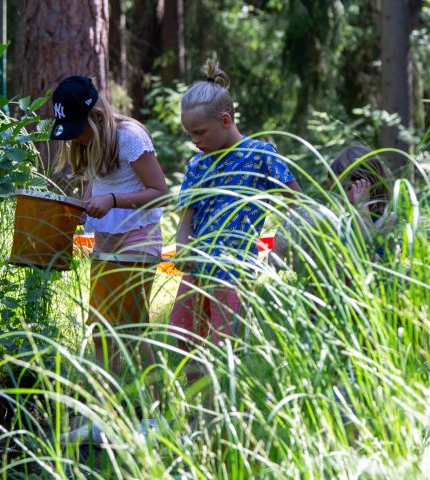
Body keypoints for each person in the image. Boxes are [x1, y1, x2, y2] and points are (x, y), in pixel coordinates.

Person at [48, 76, 168, 444]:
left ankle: (156, 416)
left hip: (138, 243)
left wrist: (113, 202)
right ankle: (103, 417)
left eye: (77, 128)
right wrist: (83, 211)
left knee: (131, 331)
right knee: (101, 333)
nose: (74, 137)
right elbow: (97, 189)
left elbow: (159, 193)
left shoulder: (130, 137)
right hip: (106, 246)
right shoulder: (88, 146)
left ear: (96, 116)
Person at [170, 60, 301, 375]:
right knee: (183, 340)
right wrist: (182, 246)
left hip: (235, 271)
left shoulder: (261, 155)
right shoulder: (198, 165)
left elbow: (297, 204)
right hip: (198, 270)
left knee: (226, 347)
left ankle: (231, 412)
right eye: (190, 134)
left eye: (200, 132)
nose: (195, 141)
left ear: (226, 120)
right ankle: (198, 414)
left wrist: (281, 245)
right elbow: (186, 220)